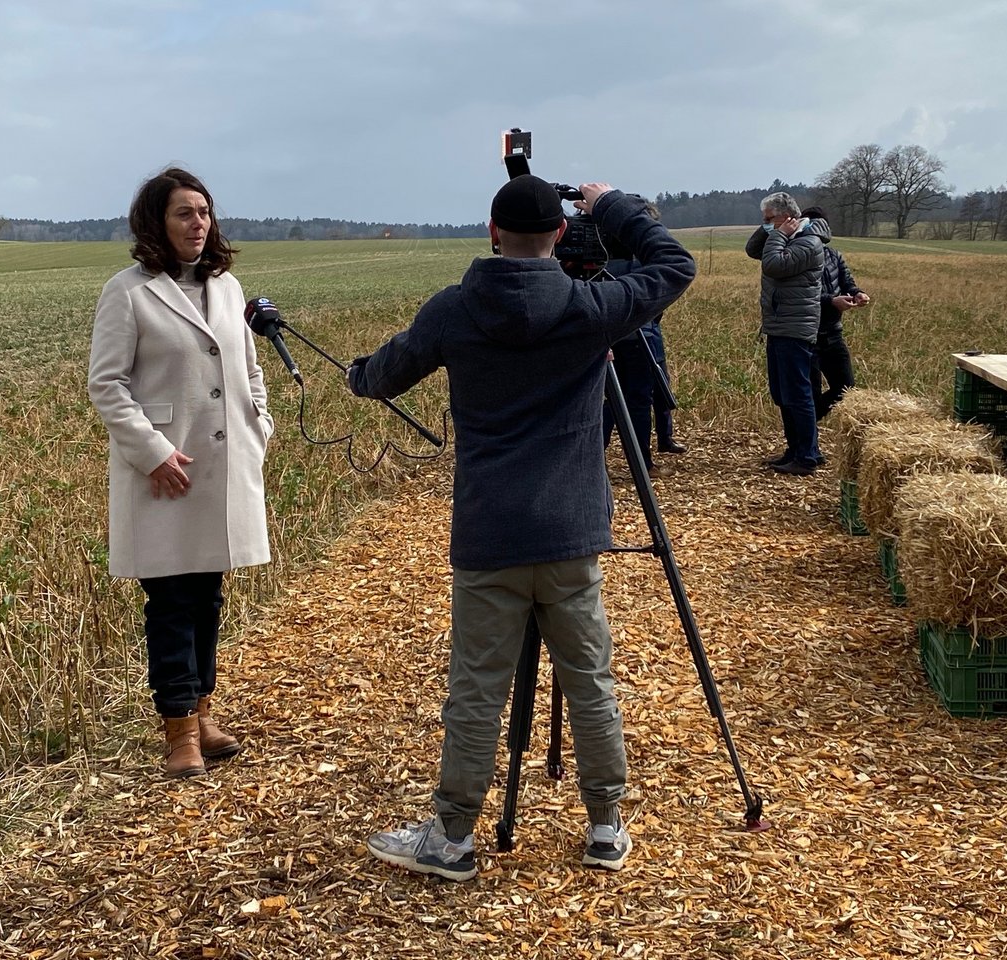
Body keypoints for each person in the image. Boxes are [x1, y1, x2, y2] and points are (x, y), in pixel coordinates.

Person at [347, 175, 696, 880]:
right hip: (571, 531)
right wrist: (612, 206)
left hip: (490, 534)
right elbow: (674, 264)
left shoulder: (453, 309)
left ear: (491, 230)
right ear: (561, 234)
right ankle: (604, 826)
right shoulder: (593, 306)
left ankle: (451, 840)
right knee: (590, 681)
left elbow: (381, 377)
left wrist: (360, 374)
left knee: (477, 688)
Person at [88, 167, 274, 779]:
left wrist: (259, 425)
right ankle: (179, 736)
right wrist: (153, 452)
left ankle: (202, 714)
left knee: (209, 597)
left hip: (221, 468)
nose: (199, 224)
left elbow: (249, 368)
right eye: (184, 214)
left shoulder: (227, 287)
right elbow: (107, 385)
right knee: (170, 600)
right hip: (166, 472)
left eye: (204, 212)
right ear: (156, 223)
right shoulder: (128, 292)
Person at [744, 192, 829, 476]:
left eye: (769, 219)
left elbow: (774, 265)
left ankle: (807, 456)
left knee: (798, 394)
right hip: (780, 325)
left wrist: (779, 235)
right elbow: (754, 250)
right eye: (764, 219)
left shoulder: (809, 242)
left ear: (788, 218)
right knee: (783, 394)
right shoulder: (786, 236)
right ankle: (795, 450)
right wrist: (772, 228)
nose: (766, 224)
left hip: (795, 327)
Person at [601, 201, 687, 478]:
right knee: (638, 399)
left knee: (610, 400)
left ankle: (594, 458)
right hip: (640, 337)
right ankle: (643, 465)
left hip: (609, 338)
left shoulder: (601, 259)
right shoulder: (642, 260)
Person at [800, 205, 870, 420]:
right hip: (807, 336)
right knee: (808, 394)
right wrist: (832, 301)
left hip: (832, 333)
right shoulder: (798, 258)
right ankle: (805, 437)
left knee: (845, 389)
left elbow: (847, 282)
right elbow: (801, 295)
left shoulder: (834, 256)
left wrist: (857, 293)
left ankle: (807, 422)